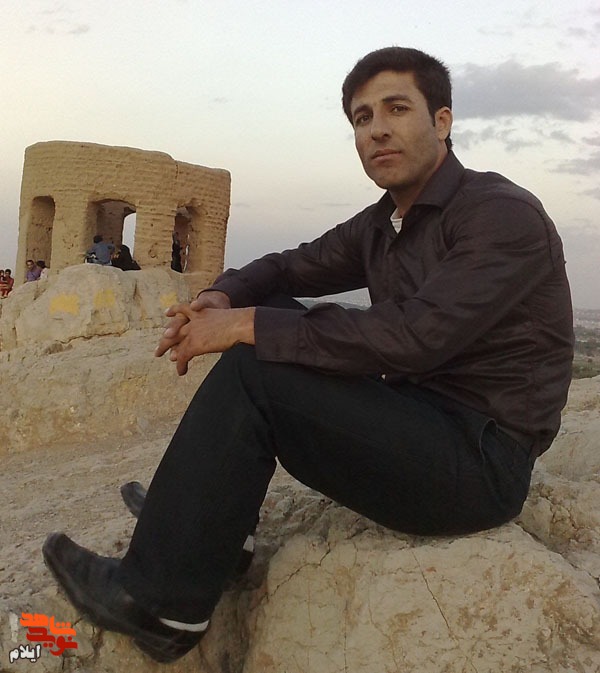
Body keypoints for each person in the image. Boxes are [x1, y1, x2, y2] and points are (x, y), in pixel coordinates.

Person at [42, 46, 574, 663]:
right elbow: (288, 266)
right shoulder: (385, 223)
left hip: (479, 463)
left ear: (442, 121)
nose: (376, 129)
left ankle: (160, 604)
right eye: (361, 117)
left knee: (259, 358)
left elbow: (415, 335)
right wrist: (223, 296)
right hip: (420, 423)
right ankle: (212, 533)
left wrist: (244, 325)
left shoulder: (499, 213)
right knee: (273, 315)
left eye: (397, 109)